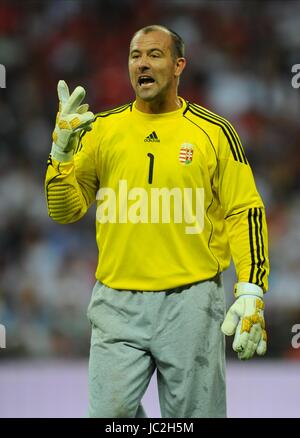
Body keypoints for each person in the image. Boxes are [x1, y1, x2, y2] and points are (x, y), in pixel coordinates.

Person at [45, 25, 270, 418]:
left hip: (192, 302)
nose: (142, 63)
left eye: (154, 54)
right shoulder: (100, 130)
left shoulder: (213, 132)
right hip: (116, 302)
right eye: (135, 56)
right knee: (108, 416)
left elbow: (244, 210)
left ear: (179, 65)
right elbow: (65, 211)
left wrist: (251, 288)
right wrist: (61, 156)